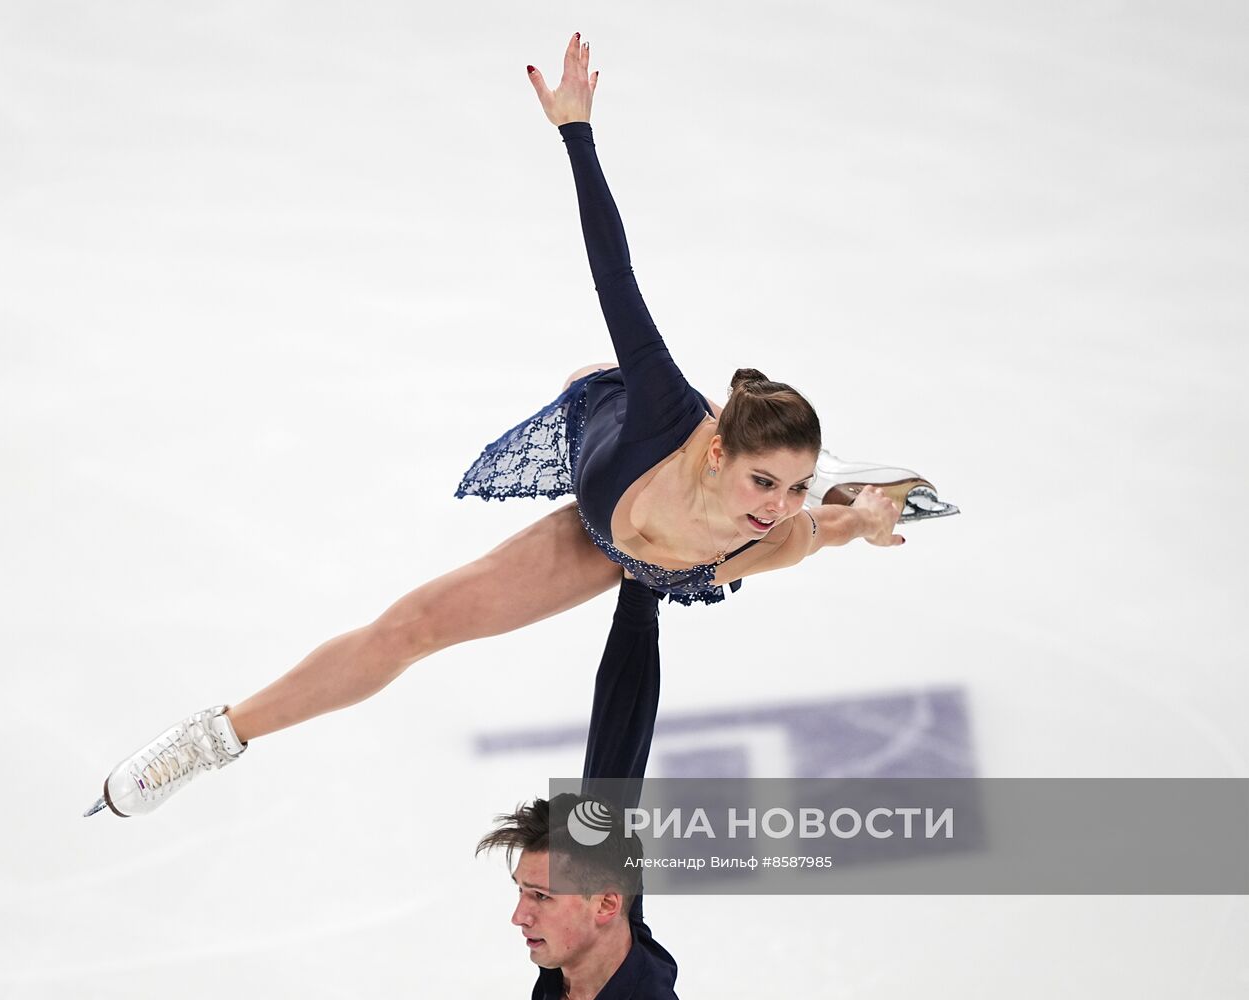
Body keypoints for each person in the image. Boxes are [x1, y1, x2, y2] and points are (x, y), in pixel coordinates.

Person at [85, 33, 912, 819]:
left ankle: (834, 500)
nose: (774, 502)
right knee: (420, 613)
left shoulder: (772, 536)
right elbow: (613, 270)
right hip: (617, 434)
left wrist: (863, 520)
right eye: (763, 479)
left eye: (792, 486)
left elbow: (819, 530)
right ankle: (211, 738)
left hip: (623, 550)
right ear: (721, 451)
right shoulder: (668, 412)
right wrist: (577, 133)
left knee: (811, 533)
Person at [478, 577, 676, 999]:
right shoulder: (605, 928)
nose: (519, 916)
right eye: (524, 892)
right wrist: (638, 591)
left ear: (605, 905)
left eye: (541, 897)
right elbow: (618, 742)